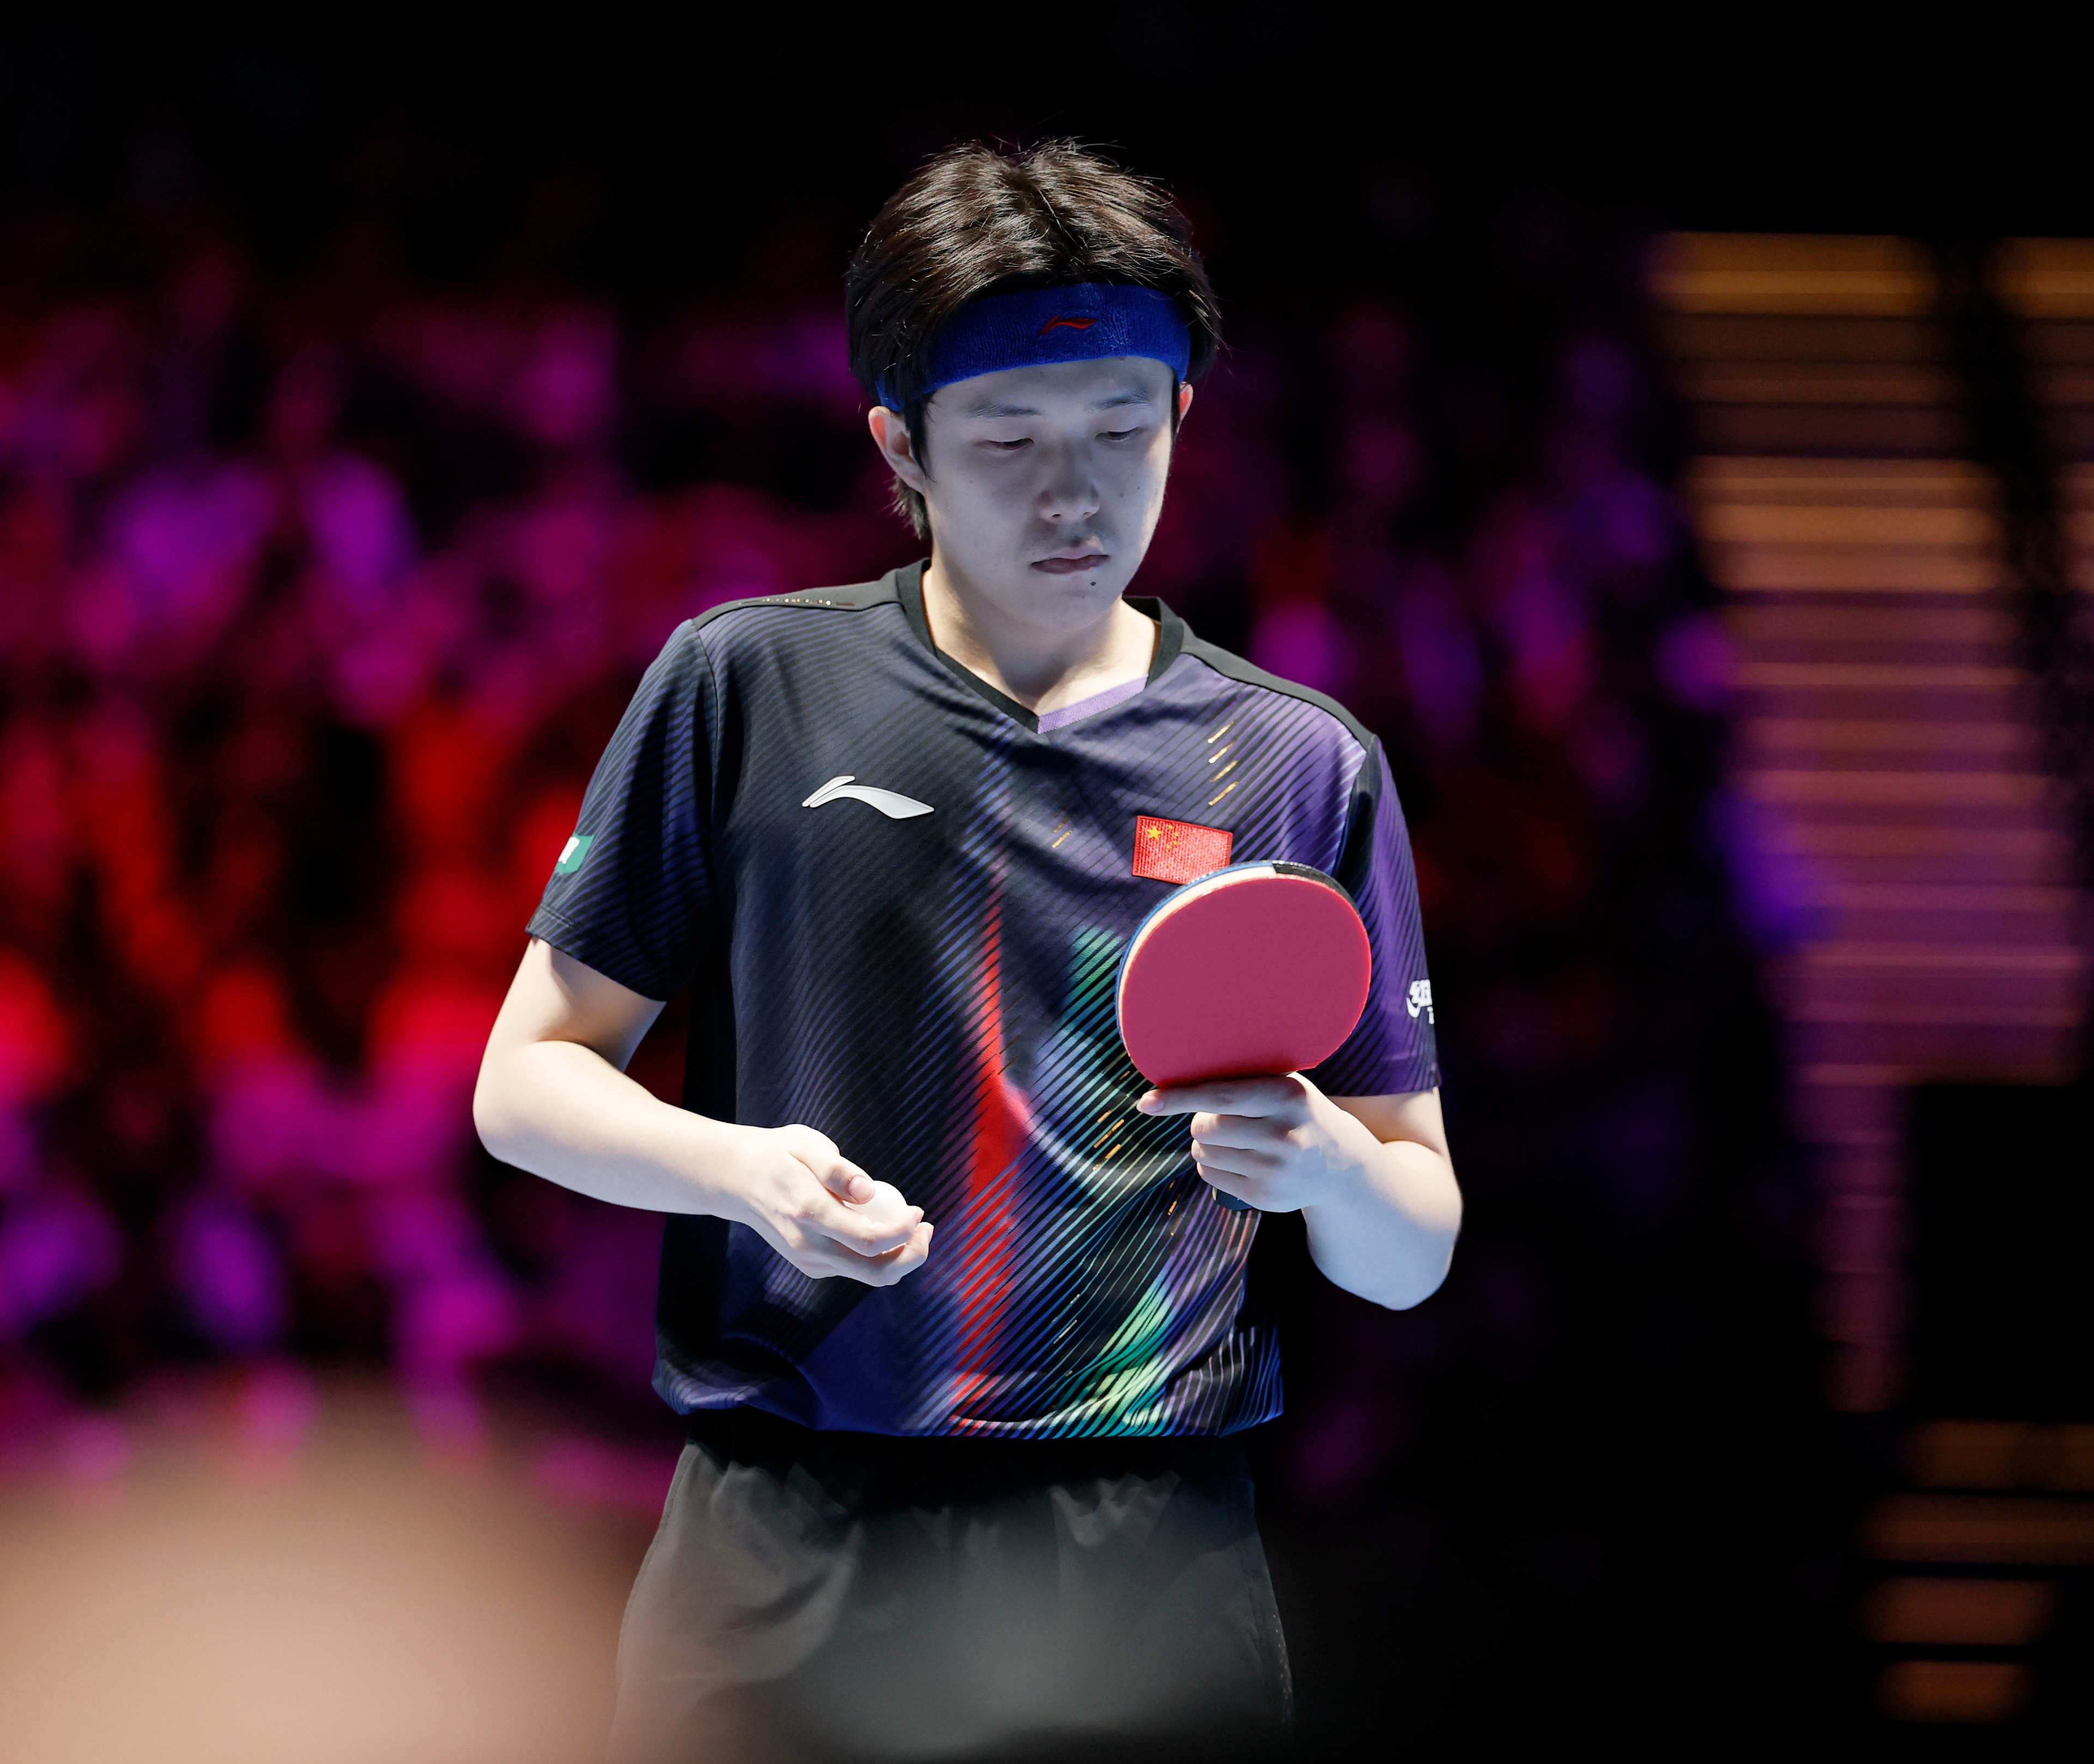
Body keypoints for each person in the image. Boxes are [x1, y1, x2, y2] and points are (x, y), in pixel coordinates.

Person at [473, 140, 1460, 1760]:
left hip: (1144, 1553)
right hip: (789, 1535)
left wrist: (1332, 1168)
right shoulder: (747, 683)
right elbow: (526, 1084)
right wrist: (741, 1173)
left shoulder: (1300, 763)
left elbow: (1411, 1243)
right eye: (1008, 440)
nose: (1073, 492)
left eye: (1122, 431)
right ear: (901, 443)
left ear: (1181, 418)